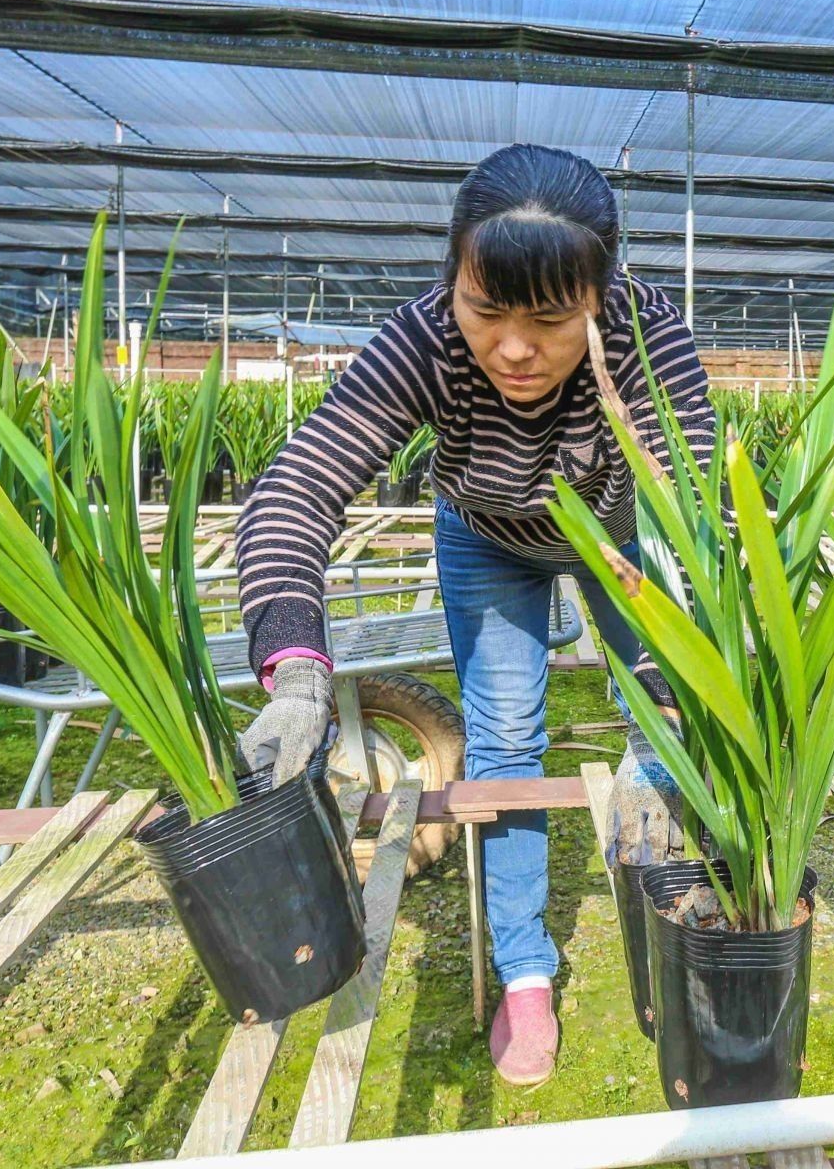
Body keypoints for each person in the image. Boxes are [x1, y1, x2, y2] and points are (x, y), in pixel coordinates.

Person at [233, 143, 709, 1085]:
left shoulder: (652, 335)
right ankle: (526, 973)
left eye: (551, 319)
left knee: (669, 737)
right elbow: (297, 490)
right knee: (504, 740)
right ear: (452, 277)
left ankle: (698, 919)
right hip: (486, 535)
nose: (516, 348)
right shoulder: (424, 338)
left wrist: (663, 728)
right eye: (487, 310)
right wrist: (296, 675)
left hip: (625, 542)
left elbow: (687, 531)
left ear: (601, 299)